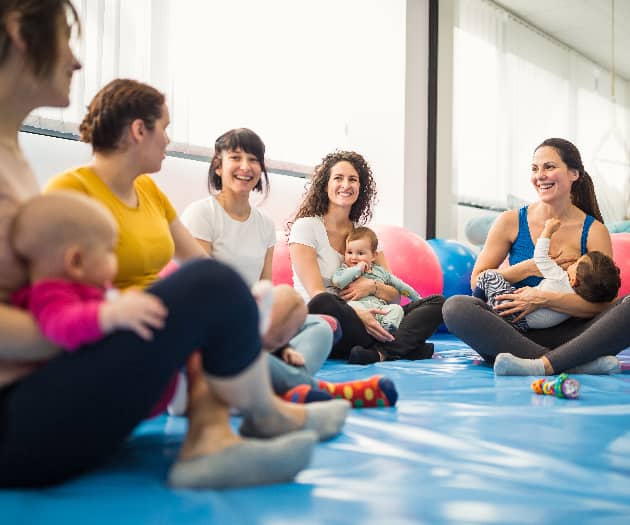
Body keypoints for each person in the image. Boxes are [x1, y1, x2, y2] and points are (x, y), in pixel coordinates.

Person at [0, 2, 348, 490]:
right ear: (19, 33)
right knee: (211, 290)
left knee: (232, 294)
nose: (77, 62)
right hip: (23, 414)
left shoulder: (15, 156)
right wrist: (101, 322)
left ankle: (223, 427)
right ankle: (265, 401)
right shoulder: (67, 191)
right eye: (65, 38)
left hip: (72, 365)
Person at [181, 128, 397, 408]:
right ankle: (322, 390)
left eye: (253, 160)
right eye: (236, 157)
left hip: (254, 326)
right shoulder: (201, 214)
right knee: (321, 309)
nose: (245, 167)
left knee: (320, 328)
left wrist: (277, 342)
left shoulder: (263, 225)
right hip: (218, 327)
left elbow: (265, 291)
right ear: (218, 166)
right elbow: (200, 290)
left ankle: (280, 383)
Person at [443, 137, 630, 376]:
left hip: (574, 334)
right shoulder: (510, 221)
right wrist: (527, 268)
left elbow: (603, 302)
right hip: (512, 332)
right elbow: (478, 281)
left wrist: (544, 299)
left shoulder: (593, 231)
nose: (540, 175)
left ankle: (541, 364)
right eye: (535, 168)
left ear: (574, 174)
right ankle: (572, 363)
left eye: (549, 167)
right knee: (456, 307)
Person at [288, 150, 445, 365]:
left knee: (437, 303)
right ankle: (404, 347)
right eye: (338, 178)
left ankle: (381, 352)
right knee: (324, 301)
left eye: (353, 179)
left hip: (375, 315)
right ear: (325, 185)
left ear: (360, 188)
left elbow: (394, 296)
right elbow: (316, 293)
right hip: (333, 319)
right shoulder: (306, 227)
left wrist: (371, 288)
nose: (346, 185)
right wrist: (357, 313)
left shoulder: (364, 235)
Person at [10, 192, 168, 349]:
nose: (116, 258)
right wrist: (113, 314)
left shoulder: (93, 286)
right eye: (110, 250)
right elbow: (62, 326)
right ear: (76, 262)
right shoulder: (49, 294)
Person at [474, 218, 621, 331]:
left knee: (487, 276)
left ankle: (475, 305)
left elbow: (540, 257)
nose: (573, 262)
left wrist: (548, 231)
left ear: (574, 280)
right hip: (525, 326)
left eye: (576, 263)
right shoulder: (582, 298)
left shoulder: (560, 277)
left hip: (509, 309)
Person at [332, 226, 421, 335]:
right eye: (349, 252)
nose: (354, 257)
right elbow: (338, 281)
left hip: (379, 308)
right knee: (350, 307)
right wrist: (357, 269)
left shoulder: (381, 272)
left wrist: (417, 299)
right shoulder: (345, 269)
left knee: (397, 309)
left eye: (360, 253)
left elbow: (401, 286)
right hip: (358, 308)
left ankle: (387, 328)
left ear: (374, 256)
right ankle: (376, 333)